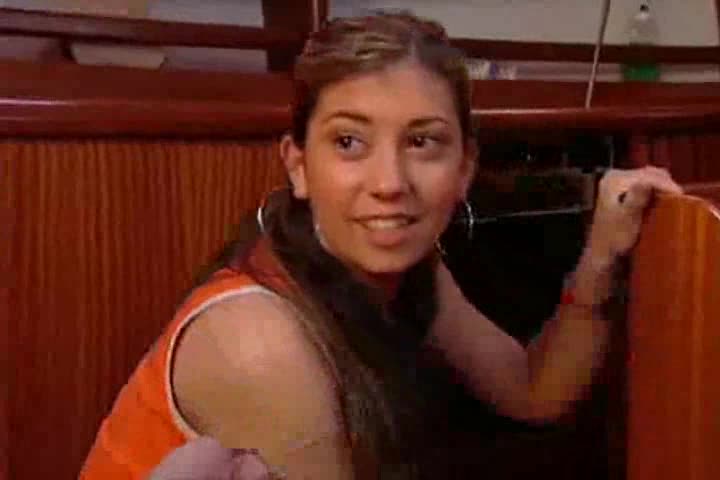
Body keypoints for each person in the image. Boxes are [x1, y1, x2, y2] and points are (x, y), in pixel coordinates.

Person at [80, 12, 682, 480]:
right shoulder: (262, 344)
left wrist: (601, 256)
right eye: (349, 142)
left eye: (422, 142)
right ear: (298, 166)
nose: (390, 183)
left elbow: (533, 392)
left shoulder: (411, 269)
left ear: (465, 168)